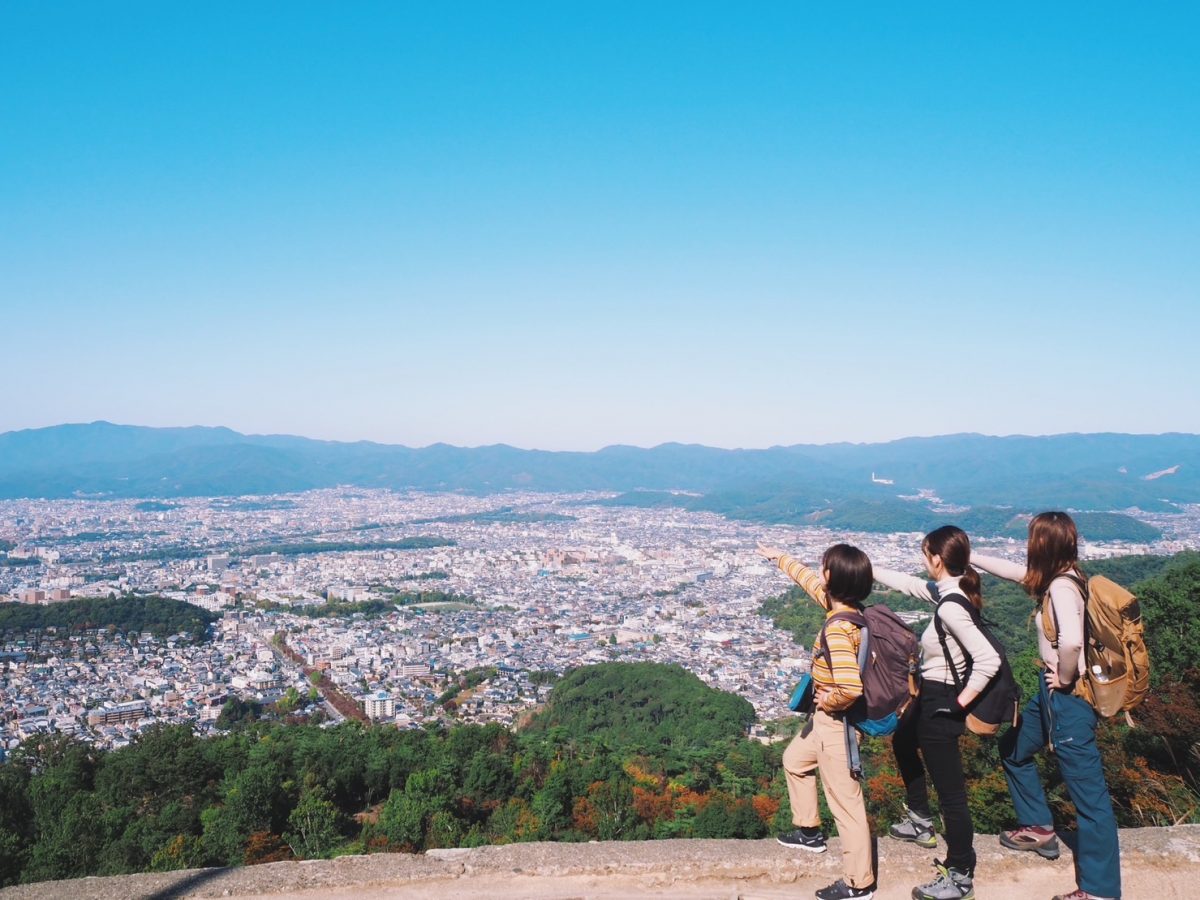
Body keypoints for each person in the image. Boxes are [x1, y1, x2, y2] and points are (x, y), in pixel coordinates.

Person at [970, 511, 1121, 900]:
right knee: (1014, 749)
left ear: (1043, 546)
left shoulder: (1062, 589)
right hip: (1049, 691)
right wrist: (968, 555)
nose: (1026, 547)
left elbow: (1070, 642)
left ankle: (1100, 890)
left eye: (1031, 541)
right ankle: (1039, 827)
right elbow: (1015, 573)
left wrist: (1067, 677)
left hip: (1068, 698)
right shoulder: (1063, 578)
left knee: (1089, 799)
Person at [871, 525, 999, 900]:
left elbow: (988, 660)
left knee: (952, 795)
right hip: (930, 697)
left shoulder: (951, 607)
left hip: (942, 702)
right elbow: (911, 585)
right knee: (903, 741)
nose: (922, 560)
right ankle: (919, 820)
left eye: (925, 554)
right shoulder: (951, 592)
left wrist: (958, 704)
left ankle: (960, 875)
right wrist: (870, 568)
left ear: (937, 559)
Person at [758, 541, 877, 900]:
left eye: (824, 567)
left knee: (846, 803)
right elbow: (809, 581)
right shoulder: (849, 611)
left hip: (835, 725)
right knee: (794, 761)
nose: (819, 572)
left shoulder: (838, 630)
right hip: (823, 724)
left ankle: (860, 884)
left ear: (833, 577)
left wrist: (830, 698)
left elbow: (850, 686)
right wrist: (780, 559)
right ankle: (809, 831)